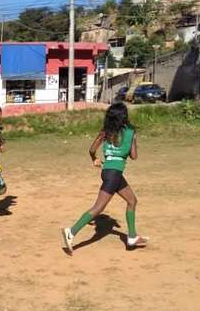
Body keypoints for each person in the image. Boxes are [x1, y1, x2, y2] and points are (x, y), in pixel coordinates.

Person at [61, 102, 148, 254]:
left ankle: (132, 236)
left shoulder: (105, 132)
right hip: (114, 174)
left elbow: (92, 149)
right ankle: (71, 232)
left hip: (108, 172)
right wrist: (133, 140)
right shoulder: (130, 132)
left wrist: (94, 159)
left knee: (132, 201)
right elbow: (134, 156)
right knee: (98, 207)